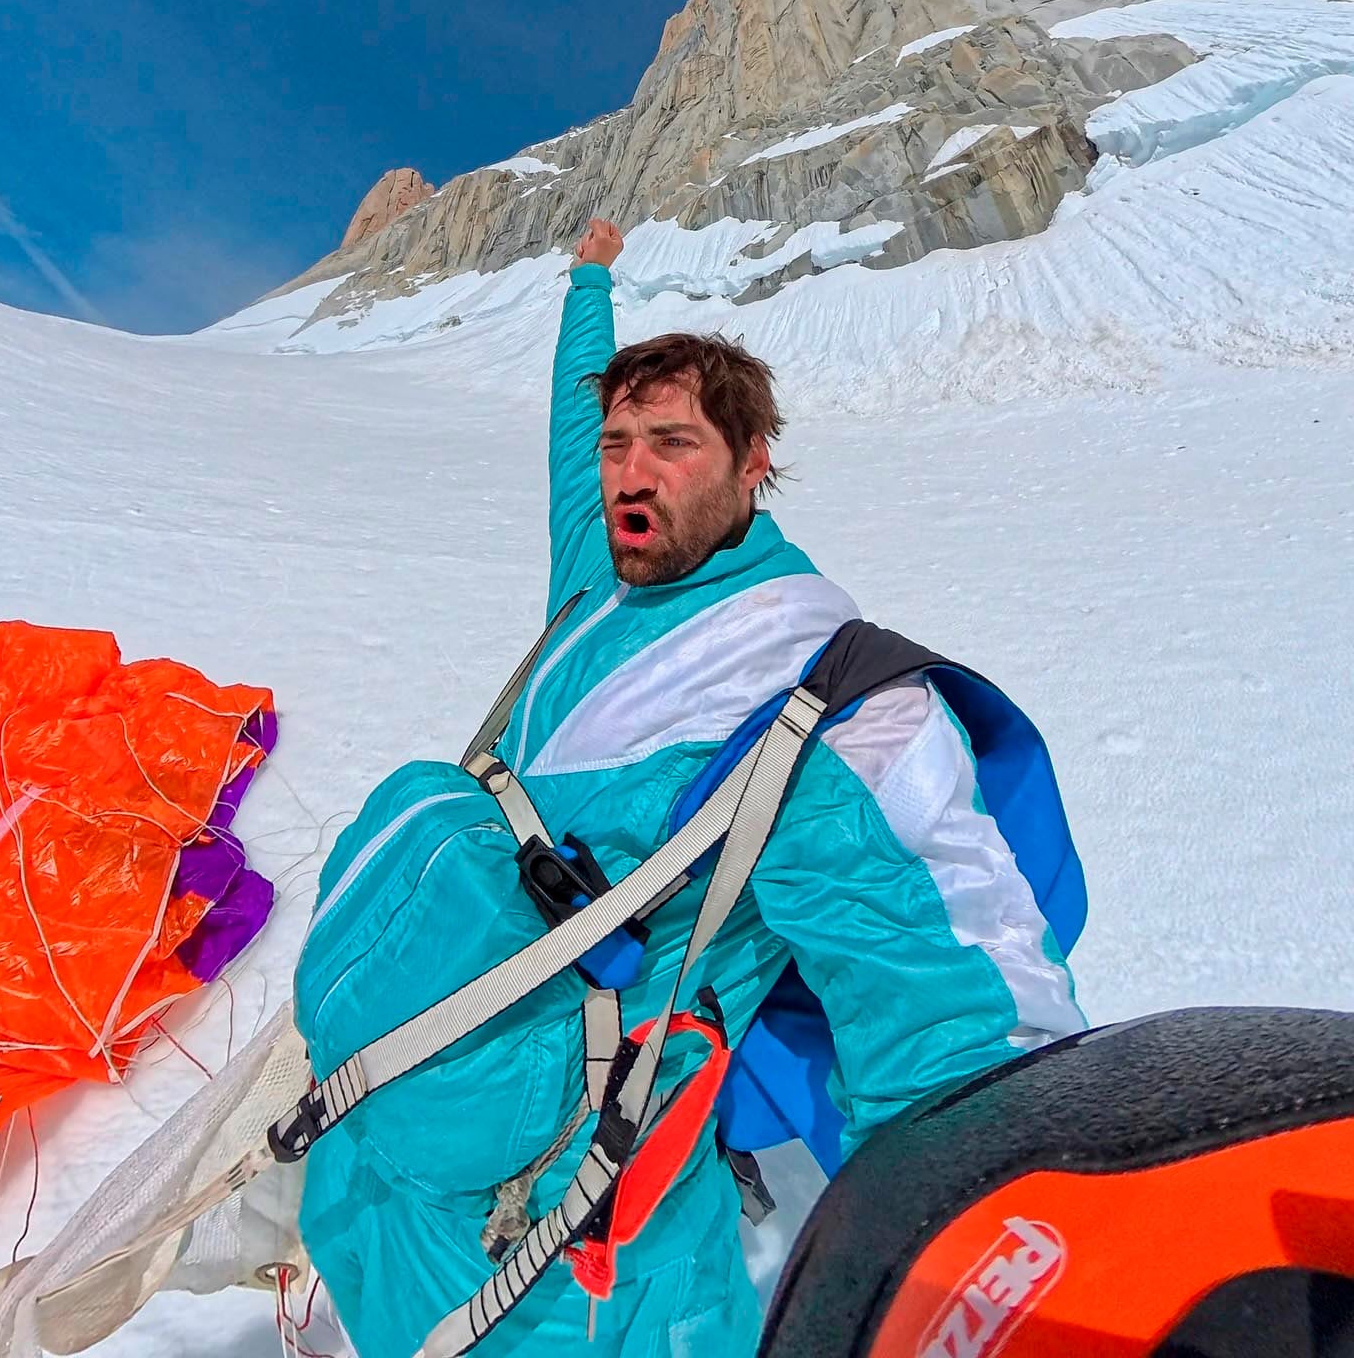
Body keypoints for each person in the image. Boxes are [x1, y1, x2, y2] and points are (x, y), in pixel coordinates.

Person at [300, 216, 1084, 1358]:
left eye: (672, 443)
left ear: (754, 459)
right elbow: (576, 425)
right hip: (389, 1146)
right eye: (624, 445)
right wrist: (588, 277)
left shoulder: (823, 690)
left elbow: (951, 988)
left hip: (592, 1239)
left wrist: (1041, 1232)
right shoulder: (601, 580)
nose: (632, 471)